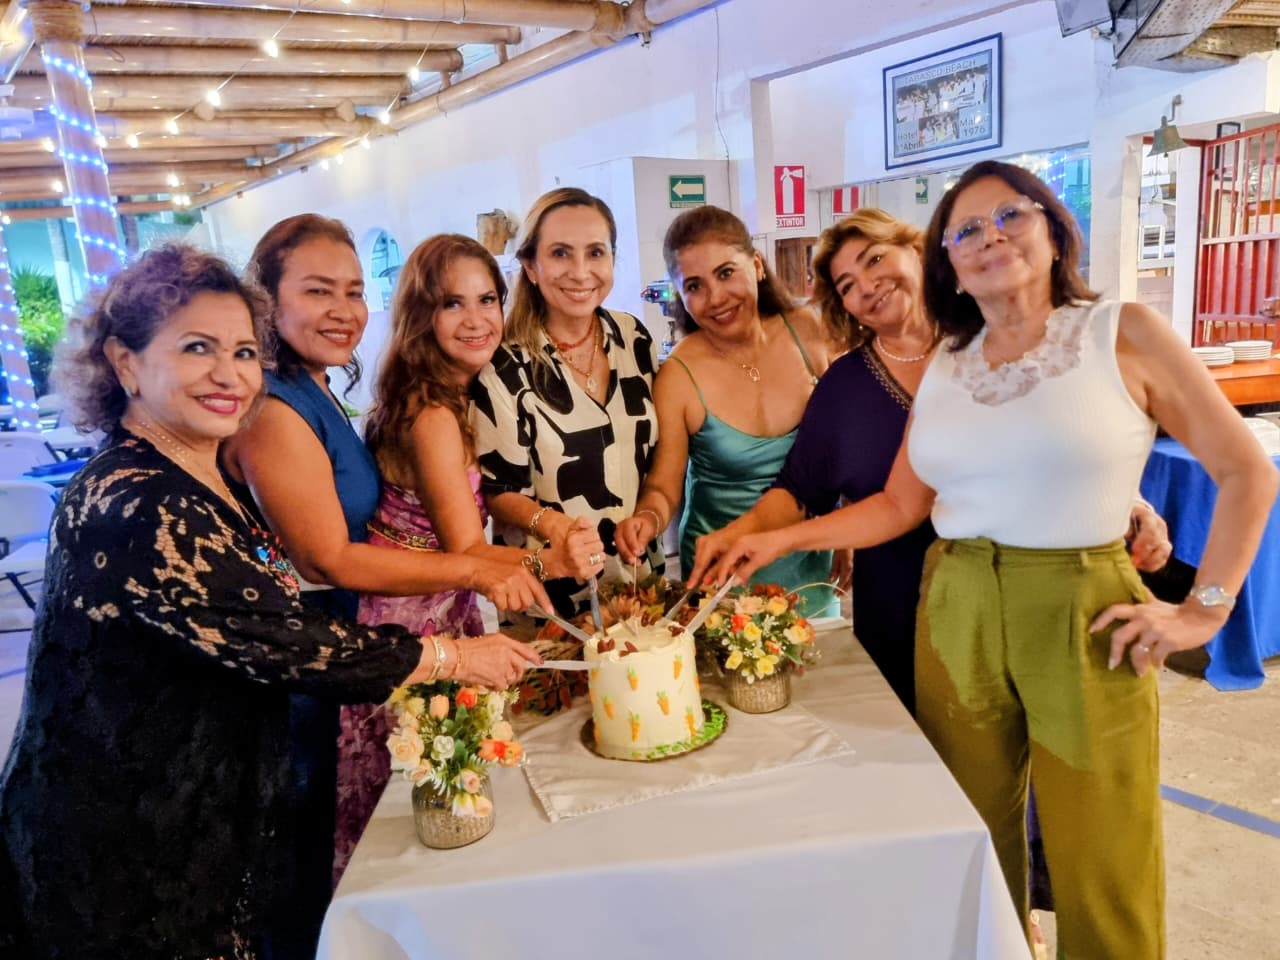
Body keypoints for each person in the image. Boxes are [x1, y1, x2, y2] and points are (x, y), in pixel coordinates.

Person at [709, 161, 1278, 957]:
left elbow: (1248, 470)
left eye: (1010, 215)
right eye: (967, 229)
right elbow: (899, 505)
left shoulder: (1122, 332)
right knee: (971, 826)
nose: (990, 237)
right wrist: (775, 539)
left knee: (1103, 843)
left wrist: (1203, 610)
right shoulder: (951, 360)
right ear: (948, 258)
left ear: (1053, 227)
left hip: (1079, 603)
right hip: (955, 602)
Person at [0, 244, 539, 958]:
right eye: (197, 348)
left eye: (244, 352)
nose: (229, 373)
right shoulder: (135, 500)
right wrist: (456, 657)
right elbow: (287, 642)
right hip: (126, 843)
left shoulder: (191, 472)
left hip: (202, 808)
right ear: (124, 363)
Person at [688, 208, 1172, 714]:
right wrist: (739, 535)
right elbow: (798, 490)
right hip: (901, 609)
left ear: (917, 251)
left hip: (1034, 594)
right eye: (847, 285)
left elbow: (1070, 442)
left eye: (876, 259)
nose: (868, 286)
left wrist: (1131, 503)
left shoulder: (999, 342)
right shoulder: (845, 388)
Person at [220, 214, 546, 955]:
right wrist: (482, 567)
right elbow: (329, 560)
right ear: (265, 300)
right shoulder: (273, 407)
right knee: (344, 851)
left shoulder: (315, 387)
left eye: (353, 290)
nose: (343, 309)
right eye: (318, 291)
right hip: (321, 648)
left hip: (357, 635)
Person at [337, 234, 603, 875]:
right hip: (411, 621)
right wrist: (554, 561)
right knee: (420, 814)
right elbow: (469, 553)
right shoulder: (431, 413)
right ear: (420, 313)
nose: (477, 318)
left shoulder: (446, 393)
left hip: (434, 604)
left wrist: (551, 535)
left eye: (488, 299)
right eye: (453, 303)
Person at [615, 205, 839, 616]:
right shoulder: (678, 375)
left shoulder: (807, 330)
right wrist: (646, 519)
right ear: (680, 296)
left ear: (757, 265)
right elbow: (664, 486)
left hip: (810, 564)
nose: (716, 298)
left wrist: (847, 522)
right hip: (721, 575)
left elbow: (845, 445)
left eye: (725, 273)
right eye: (694, 286)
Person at [471, 187, 660, 616]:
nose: (580, 271)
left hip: (637, 585)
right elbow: (499, 492)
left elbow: (654, 454)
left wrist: (650, 516)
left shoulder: (633, 339)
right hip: (551, 596)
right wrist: (557, 527)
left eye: (596, 253)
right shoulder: (506, 366)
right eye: (560, 253)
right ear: (530, 267)